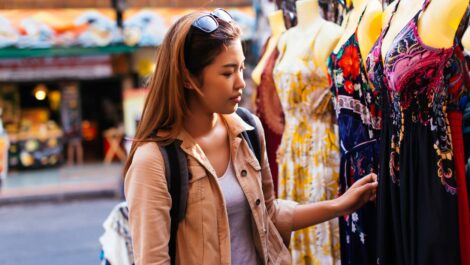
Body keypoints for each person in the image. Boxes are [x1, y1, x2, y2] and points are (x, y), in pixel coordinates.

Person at [123, 9, 378, 265]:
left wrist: (340, 206)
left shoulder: (248, 131)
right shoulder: (154, 161)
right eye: (227, 73)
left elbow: (269, 216)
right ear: (189, 78)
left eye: (242, 68)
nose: (241, 83)